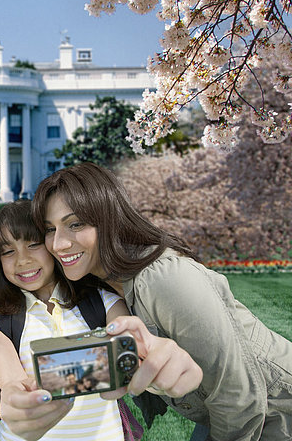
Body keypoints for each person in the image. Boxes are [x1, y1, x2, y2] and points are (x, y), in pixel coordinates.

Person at [17, 161, 292, 441]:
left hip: (278, 410)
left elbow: (239, 394)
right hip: (223, 413)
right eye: (50, 229)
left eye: (75, 224)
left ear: (109, 219)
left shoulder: (163, 278)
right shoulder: (101, 287)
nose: (59, 243)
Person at [0, 200, 135, 441]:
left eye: (33, 244)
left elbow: (128, 355)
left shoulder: (102, 301)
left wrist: (49, 371)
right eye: (8, 251)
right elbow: (16, 386)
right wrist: (103, 360)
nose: (22, 260)